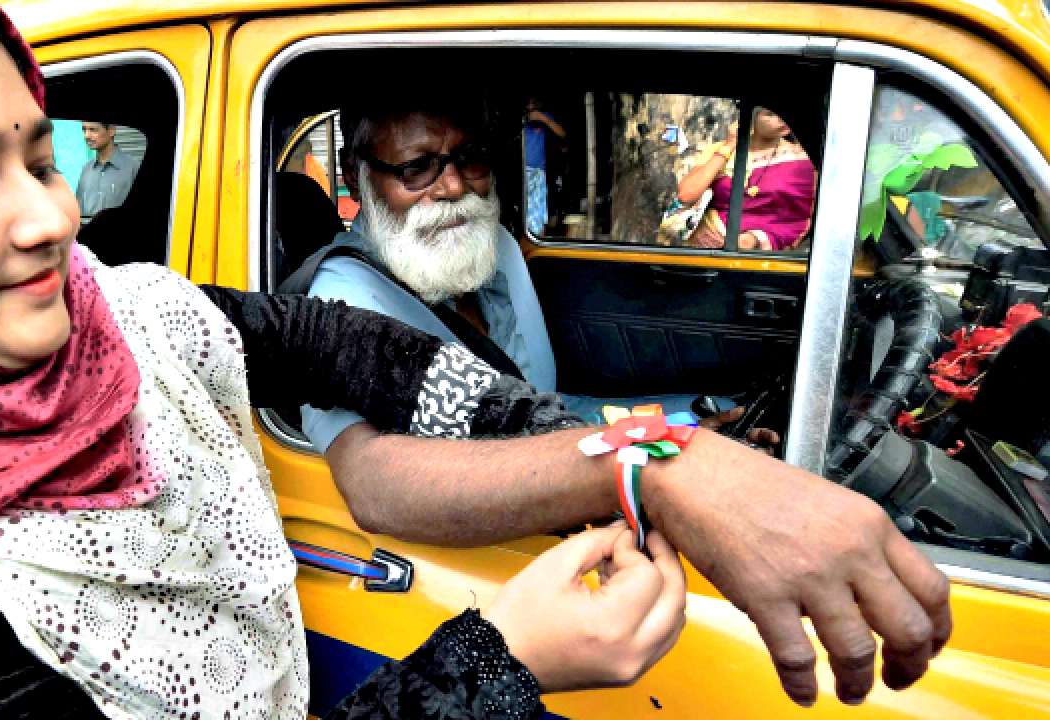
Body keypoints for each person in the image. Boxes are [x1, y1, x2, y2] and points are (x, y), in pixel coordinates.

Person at [0, 3, 688, 718]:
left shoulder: (115, 312)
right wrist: (505, 659)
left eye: (42, 162)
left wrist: (649, 461)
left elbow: (339, 350)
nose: (58, 220)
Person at [298, 89, 951, 708]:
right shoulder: (338, 302)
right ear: (359, 183)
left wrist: (689, 425)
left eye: (467, 158)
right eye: (416, 168)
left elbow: (539, 408)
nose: (452, 186)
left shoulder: (490, 248)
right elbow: (375, 484)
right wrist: (646, 464)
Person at [677, 107, 817, 251]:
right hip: (707, 246)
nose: (782, 119)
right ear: (751, 117)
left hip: (760, 254)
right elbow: (686, 195)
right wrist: (730, 145)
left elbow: (800, 219)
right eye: (770, 114)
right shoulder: (721, 150)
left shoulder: (801, 159)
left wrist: (754, 238)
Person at [75, 120, 141, 217]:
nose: (86, 136)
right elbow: (78, 210)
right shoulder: (86, 170)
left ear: (111, 130)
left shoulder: (133, 167)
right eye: (84, 130)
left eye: (93, 130)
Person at [523, 98, 566, 236]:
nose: (531, 106)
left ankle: (539, 241)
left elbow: (562, 133)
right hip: (522, 171)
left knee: (539, 212)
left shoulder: (544, 117)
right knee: (524, 210)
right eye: (528, 103)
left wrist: (544, 119)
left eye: (534, 102)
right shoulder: (521, 118)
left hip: (538, 171)